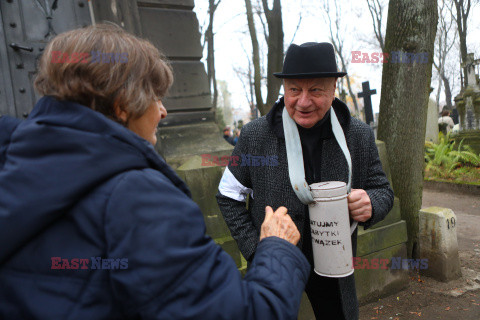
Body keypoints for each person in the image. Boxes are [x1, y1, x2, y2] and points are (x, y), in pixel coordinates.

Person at [0, 24, 311, 319]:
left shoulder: (16, 163)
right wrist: (276, 248)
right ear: (123, 105)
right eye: (155, 97)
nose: (163, 111)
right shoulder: (137, 197)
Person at [216, 42, 394, 320]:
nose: (303, 101)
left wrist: (371, 203)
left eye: (315, 90)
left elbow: (382, 189)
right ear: (284, 89)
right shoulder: (254, 136)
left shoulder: (357, 134)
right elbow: (227, 195)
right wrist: (255, 248)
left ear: (333, 89)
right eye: (294, 90)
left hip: (334, 265)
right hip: (276, 262)